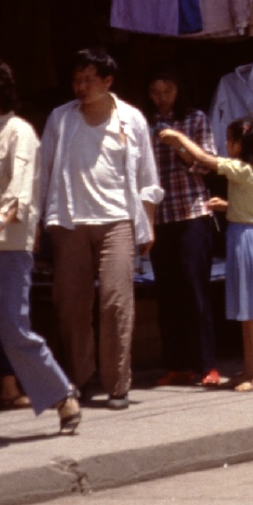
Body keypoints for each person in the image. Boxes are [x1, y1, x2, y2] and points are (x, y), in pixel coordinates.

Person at [36, 48, 161, 408]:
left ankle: (117, 383)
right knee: (71, 304)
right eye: (77, 79)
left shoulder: (132, 119)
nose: (81, 86)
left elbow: (147, 177)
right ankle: (80, 377)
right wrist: (38, 223)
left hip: (118, 221)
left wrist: (148, 223)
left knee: (115, 302)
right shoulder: (60, 119)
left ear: (108, 81)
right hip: (70, 221)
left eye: (89, 80)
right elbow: (43, 172)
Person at [0, 59, 80, 434]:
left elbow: (20, 190)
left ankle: (62, 395)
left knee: (13, 328)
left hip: (5, 245)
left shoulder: (19, 133)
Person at [159, 117, 253, 391]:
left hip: (246, 238)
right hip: (242, 235)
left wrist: (179, 137)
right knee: (247, 311)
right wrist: (228, 206)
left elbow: (205, 159)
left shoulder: (242, 169)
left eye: (230, 139)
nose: (226, 144)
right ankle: (249, 370)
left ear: (239, 144)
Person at [144, 68, 221, 388]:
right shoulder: (143, 125)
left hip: (192, 214)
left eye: (167, 91)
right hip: (160, 218)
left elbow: (206, 166)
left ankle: (207, 365)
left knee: (195, 292)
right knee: (167, 294)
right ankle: (176, 365)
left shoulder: (196, 119)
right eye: (155, 92)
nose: (162, 98)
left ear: (179, 90)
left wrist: (177, 142)